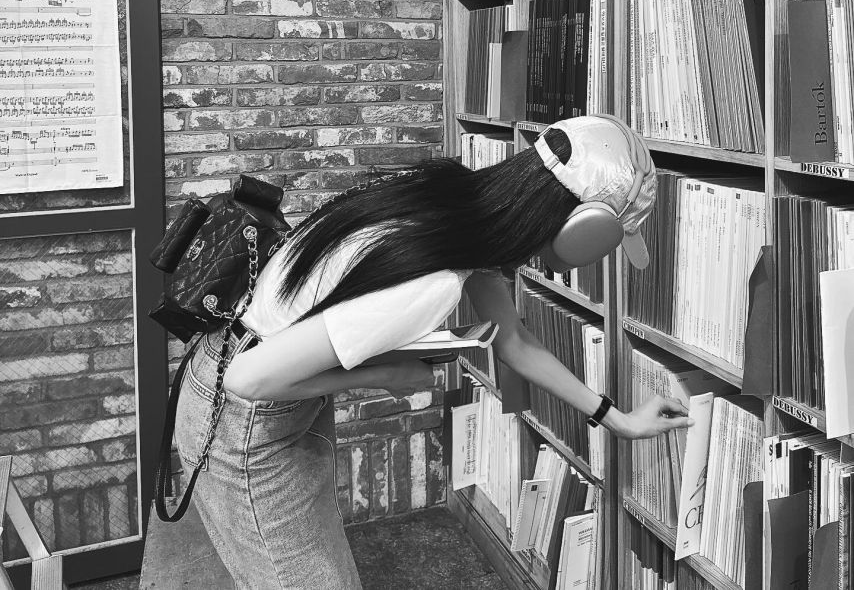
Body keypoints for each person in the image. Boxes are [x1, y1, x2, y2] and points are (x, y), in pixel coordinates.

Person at [174, 115, 691, 590]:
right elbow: (246, 379)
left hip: (258, 388)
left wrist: (617, 419)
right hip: (245, 417)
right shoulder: (438, 281)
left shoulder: (458, 206)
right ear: (583, 230)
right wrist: (388, 376)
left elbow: (513, 341)